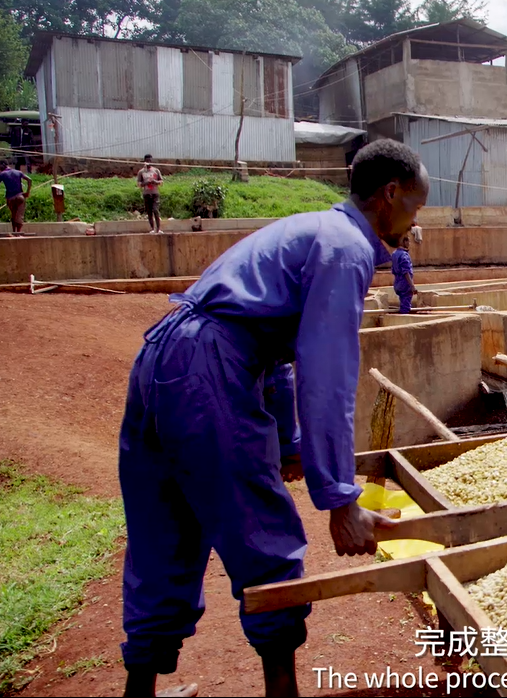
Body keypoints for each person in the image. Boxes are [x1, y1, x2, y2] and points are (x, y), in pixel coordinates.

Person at [116, 139, 429, 698]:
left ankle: (139, 692)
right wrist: (339, 499)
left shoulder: (311, 229)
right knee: (261, 529)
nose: (414, 221)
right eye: (416, 207)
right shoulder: (347, 248)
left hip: (163, 356)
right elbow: (325, 372)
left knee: (162, 526)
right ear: (390, 194)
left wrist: (288, 441)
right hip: (211, 367)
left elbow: (272, 349)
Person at [0, 160, 32, 234]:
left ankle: (14, 232)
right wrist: (27, 192)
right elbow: (29, 180)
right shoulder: (18, 172)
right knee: (20, 215)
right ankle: (18, 233)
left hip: (10, 198)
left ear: (2, 166)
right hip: (20, 196)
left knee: (13, 215)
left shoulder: (2, 174)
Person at [137, 155, 164, 234]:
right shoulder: (141, 172)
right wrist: (146, 183)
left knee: (155, 210)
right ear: (144, 161)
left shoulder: (156, 170)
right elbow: (138, 184)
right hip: (146, 194)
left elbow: (161, 182)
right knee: (149, 212)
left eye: (150, 160)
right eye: (147, 161)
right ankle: (152, 228)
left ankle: (158, 229)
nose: (149, 162)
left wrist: (155, 182)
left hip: (155, 193)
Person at [391, 233, 415, 312]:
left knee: (403, 303)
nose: (409, 243)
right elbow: (406, 272)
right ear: (403, 242)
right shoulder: (404, 255)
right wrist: (411, 286)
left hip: (397, 283)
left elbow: (393, 270)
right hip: (405, 284)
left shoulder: (394, 254)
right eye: (408, 241)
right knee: (405, 307)